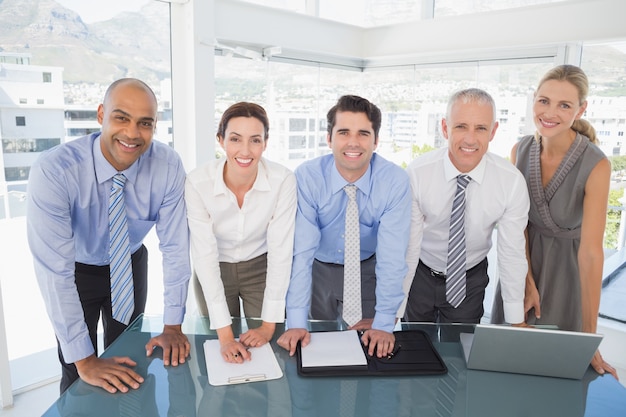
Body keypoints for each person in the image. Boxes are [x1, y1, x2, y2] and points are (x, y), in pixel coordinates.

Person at [27, 78, 192, 394]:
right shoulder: (54, 171)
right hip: (75, 271)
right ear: (101, 114)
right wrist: (86, 360)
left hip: (129, 264)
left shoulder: (167, 165)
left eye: (145, 123)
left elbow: (175, 247)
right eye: (121, 118)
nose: (132, 133)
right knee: (78, 373)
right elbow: (55, 273)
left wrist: (173, 325)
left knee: (130, 361)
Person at [491, 65, 618, 379]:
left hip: (567, 279)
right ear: (533, 100)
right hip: (521, 266)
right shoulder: (519, 150)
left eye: (564, 105)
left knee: (556, 376)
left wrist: (590, 339)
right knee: (504, 369)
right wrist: (525, 280)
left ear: (581, 109)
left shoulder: (597, 164)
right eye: (544, 101)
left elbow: (590, 254)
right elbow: (516, 225)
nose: (550, 112)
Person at [277, 95, 412, 359]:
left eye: (363, 133)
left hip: (368, 271)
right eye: (343, 132)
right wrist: (295, 323)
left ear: (376, 140)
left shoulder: (395, 181)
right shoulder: (307, 177)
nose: (353, 142)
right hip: (317, 272)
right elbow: (301, 253)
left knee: (368, 353)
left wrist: (384, 322)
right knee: (313, 352)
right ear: (329, 139)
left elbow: (392, 257)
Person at [403, 88, 529, 325]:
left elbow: (511, 252)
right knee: (414, 348)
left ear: (493, 131)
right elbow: (408, 245)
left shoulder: (511, 182)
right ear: (444, 128)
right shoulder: (418, 174)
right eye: (461, 126)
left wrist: (515, 319)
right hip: (420, 274)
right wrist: (394, 311)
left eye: (480, 128)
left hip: (469, 280)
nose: (470, 139)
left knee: (462, 350)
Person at [185, 102, 297, 363]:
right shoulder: (197, 182)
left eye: (255, 140)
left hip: (261, 267)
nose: (245, 151)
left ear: (265, 143)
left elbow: (281, 252)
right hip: (215, 269)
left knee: (269, 350)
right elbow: (203, 254)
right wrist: (225, 337)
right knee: (219, 352)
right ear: (221, 140)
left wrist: (268, 326)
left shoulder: (283, 180)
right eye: (235, 139)